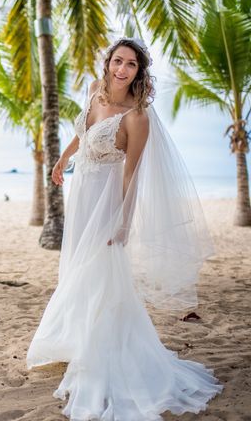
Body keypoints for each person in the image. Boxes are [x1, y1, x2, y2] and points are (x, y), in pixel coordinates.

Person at [26, 38, 222, 420]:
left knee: (99, 273)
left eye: (131, 64)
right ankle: (78, 341)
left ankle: (101, 351)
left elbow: (132, 172)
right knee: (75, 269)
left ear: (139, 72)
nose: (122, 69)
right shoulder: (93, 92)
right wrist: (63, 159)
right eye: (118, 61)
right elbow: (82, 133)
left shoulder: (137, 117)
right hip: (81, 191)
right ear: (108, 63)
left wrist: (124, 221)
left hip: (106, 198)